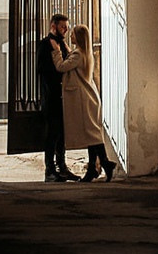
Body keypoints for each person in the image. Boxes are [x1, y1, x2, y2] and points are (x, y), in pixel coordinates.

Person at [50, 23, 117, 182]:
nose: (70, 36)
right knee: (91, 135)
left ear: (78, 37)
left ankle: (102, 165)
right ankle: (100, 166)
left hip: (85, 100)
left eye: (72, 34)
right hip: (89, 98)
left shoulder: (78, 55)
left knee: (92, 135)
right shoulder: (82, 53)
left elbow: (61, 67)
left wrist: (57, 51)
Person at [36, 13, 81, 182]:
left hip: (64, 96)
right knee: (52, 133)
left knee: (62, 133)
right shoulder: (45, 44)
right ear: (53, 26)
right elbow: (42, 70)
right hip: (51, 96)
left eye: (67, 27)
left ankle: (62, 167)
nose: (66, 30)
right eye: (63, 27)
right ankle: (49, 169)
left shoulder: (63, 44)